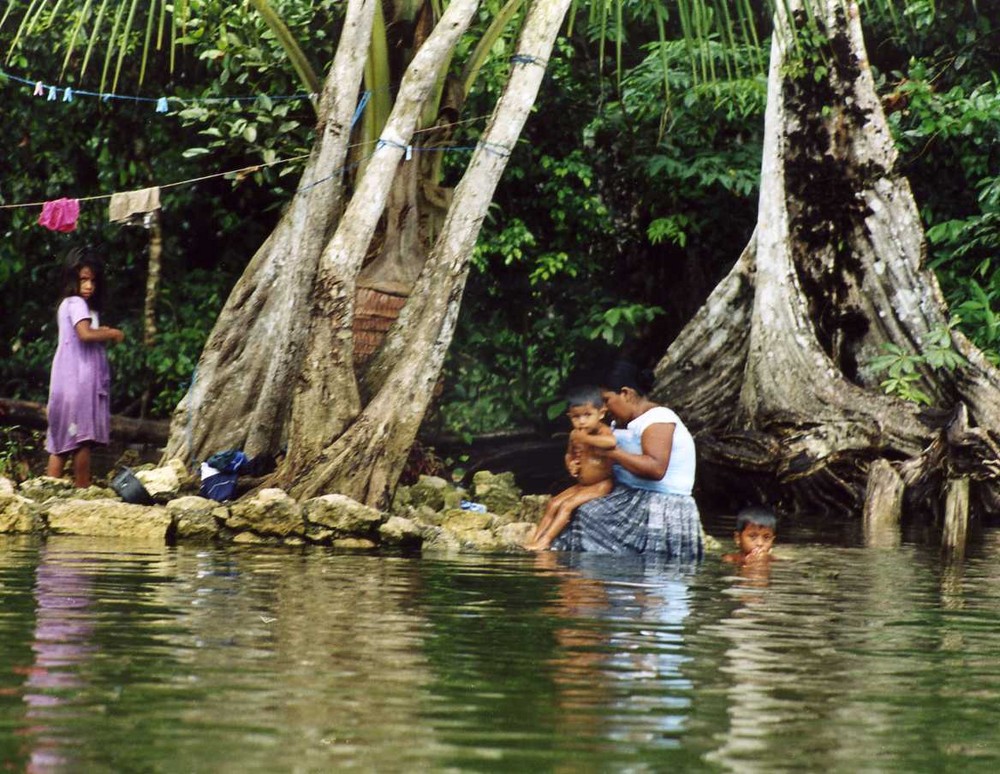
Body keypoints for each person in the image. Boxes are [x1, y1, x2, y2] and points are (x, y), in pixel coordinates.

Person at [549, 360, 702, 559]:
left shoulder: (658, 419)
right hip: (627, 494)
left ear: (626, 394)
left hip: (661, 504)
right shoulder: (617, 423)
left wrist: (611, 453)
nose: (603, 408)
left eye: (606, 400)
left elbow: (656, 469)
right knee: (576, 510)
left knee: (589, 515)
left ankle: (599, 574)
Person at [45, 247, 125, 488]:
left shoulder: (67, 304)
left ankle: (46, 490)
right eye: (83, 279)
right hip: (78, 382)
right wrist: (111, 332)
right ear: (72, 279)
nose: (89, 285)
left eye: (92, 280)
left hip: (65, 381)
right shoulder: (77, 303)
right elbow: (84, 334)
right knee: (82, 441)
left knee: (59, 443)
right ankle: (82, 491)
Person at [526, 386, 616, 551]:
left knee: (567, 506)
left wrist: (587, 439)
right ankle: (535, 539)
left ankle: (545, 541)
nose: (582, 421)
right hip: (582, 484)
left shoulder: (604, 432)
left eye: (587, 415)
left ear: (601, 413)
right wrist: (571, 464)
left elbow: (611, 443)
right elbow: (569, 454)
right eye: (576, 417)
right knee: (553, 503)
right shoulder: (575, 434)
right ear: (569, 417)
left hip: (601, 484)